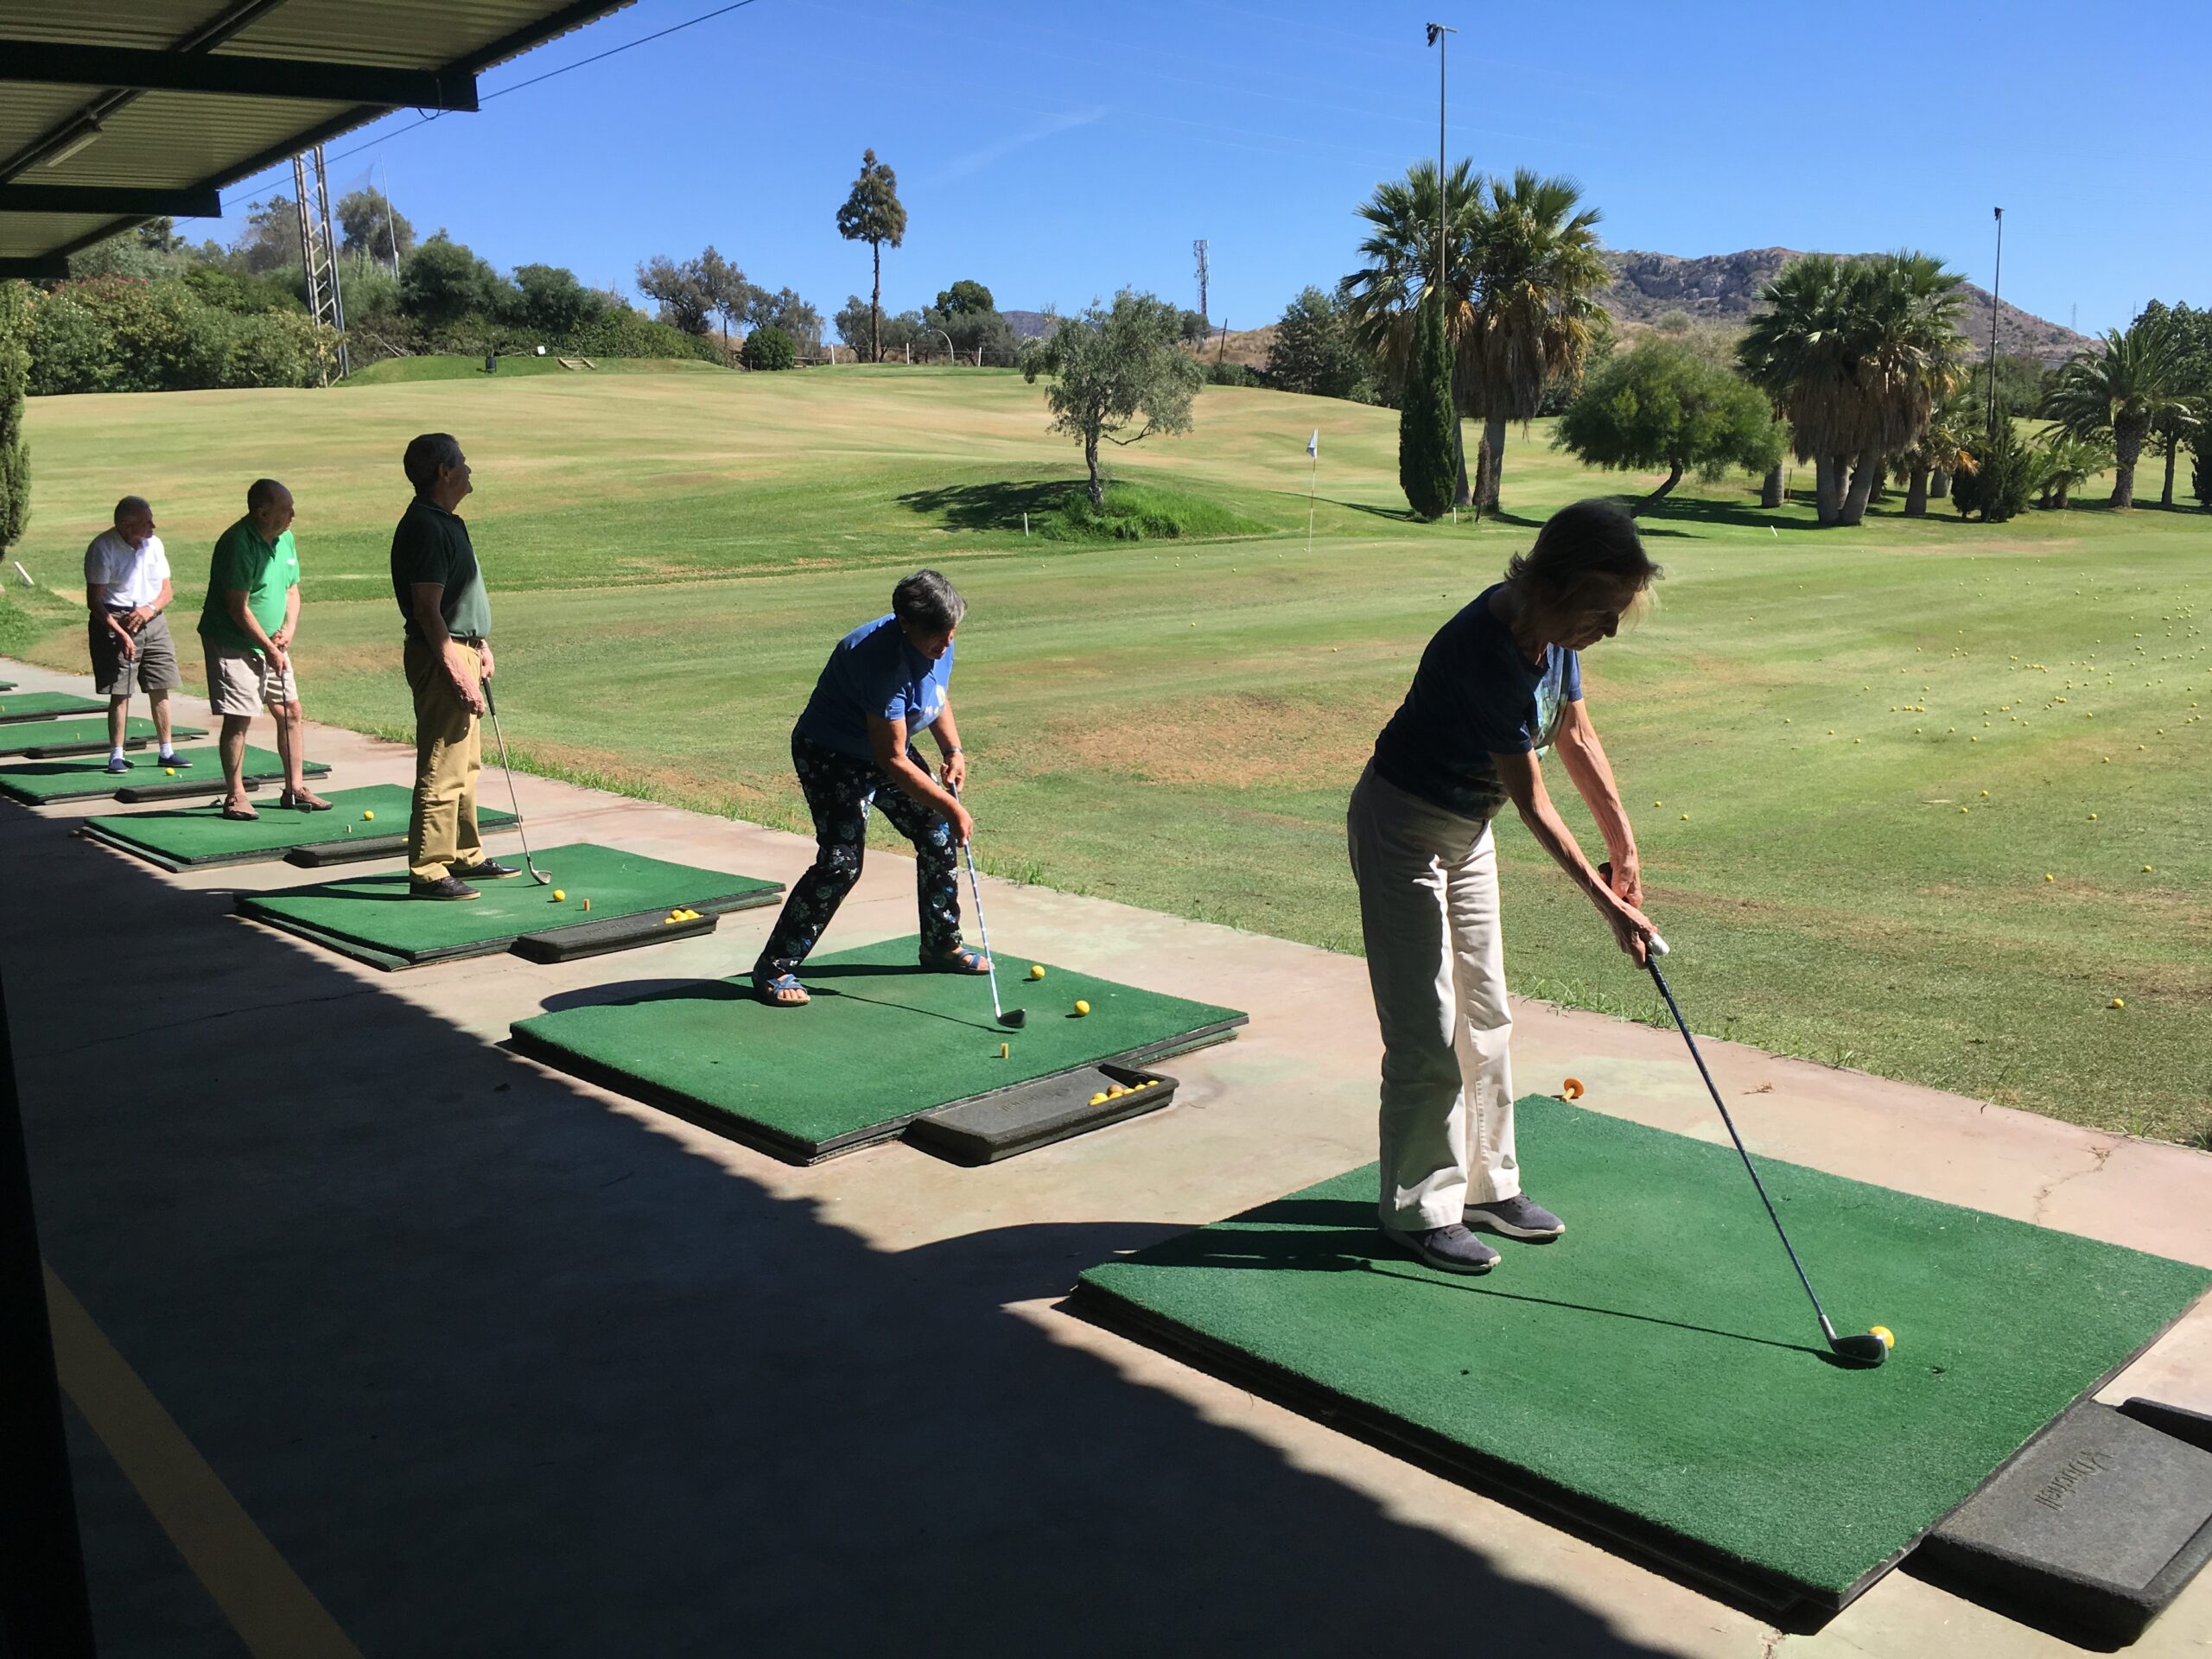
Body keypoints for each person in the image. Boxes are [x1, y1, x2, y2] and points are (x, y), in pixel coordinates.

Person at [1348, 499, 1662, 1275]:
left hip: (1467, 829)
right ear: (1555, 584)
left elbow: (1577, 735)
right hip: (1403, 829)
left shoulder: (1555, 636)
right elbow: (1534, 803)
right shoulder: (1485, 650)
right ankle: (1420, 1211)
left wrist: (1623, 847)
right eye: (1602, 610)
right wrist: (1609, 907)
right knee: (1427, 1029)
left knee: (1487, 1012)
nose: (1610, 628)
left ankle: (1489, 1186)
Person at [751, 569, 983, 1007]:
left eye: (952, 631)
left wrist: (953, 749)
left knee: (934, 832)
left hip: (884, 751)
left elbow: (935, 695)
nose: (948, 642)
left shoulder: (937, 639)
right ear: (906, 623)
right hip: (831, 756)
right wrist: (953, 808)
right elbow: (891, 759)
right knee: (841, 863)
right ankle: (774, 967)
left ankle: (941, 944)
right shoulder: (880, 662)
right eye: (938, 633)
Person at [391, 433, 517, 900]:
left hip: (463, 647)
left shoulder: (445, 521)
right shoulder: (425, 526)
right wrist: (458, 671)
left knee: (467, 765)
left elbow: (456, 601)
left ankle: (465, 853)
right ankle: (428, 869)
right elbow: (428, 611)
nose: (469, 468)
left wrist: (479, 644)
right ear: (444, 472)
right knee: (443, 765)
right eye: (462, 461)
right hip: (441, 652)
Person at [196, 479, 329, 821]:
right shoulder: (237, 544)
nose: (293, 515)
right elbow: (236, 607)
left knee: (291, 711)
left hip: (272, 643)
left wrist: (288, 630)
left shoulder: (285, 538)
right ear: (263, 513)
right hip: (233, 642)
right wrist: (269, 647)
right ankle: (236, 795)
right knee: (240, 717)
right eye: (286, 510)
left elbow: (292, 590)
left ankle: (294, 788)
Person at [84, 495, 187, 773]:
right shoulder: (102, 548)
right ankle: (116, 755)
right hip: (115, 618)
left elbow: (167, 591)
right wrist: (121, 633)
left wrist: (149, 609)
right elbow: (95, 602)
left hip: (153, 617)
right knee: (121, 690)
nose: (153, 526)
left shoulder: (155, 544)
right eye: (146, 522)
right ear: (126, 525)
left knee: (160, 684)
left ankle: (167, 751)